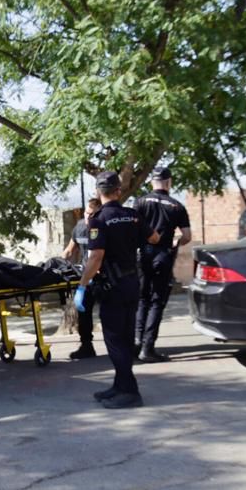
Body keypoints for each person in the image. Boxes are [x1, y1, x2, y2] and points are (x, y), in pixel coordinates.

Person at [73, 171, 159, 409]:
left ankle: (130, 391)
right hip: (132, 282)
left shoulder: (98, 219)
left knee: (114, 339)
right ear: (118, 191)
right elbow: (154, 237)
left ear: (98, 192)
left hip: (113, 286)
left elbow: (96, 257)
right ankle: (120, 386)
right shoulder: (133, 215)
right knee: (125, 336)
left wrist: (82, 285)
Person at [133, 168, 192, 363]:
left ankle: (137, 340)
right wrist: (176, 244)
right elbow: (187, 236)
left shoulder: (140, 202)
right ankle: (148, 347)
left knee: (142, 299)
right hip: (163, 255)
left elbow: (133, 228)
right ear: (169, 182)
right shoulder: (176, 206)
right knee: (157, 301)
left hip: (143, 254)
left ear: (152, 182)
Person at [63, 197, 102, 359]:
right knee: (84, 312)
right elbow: (69, 250)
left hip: (104, 276)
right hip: (86, 276)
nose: (88, 217)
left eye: (92, 214)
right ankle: (86, 346)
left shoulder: (104, 226)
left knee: (110, 313)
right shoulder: (79, 227)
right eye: (87, 213)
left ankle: (123, 345)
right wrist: (60, 263)